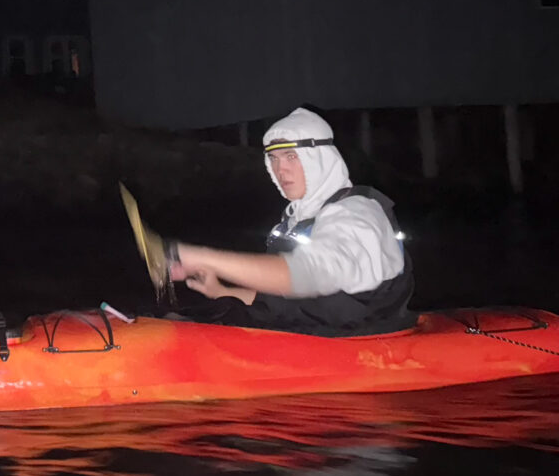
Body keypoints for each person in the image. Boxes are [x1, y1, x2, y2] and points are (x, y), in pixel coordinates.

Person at [165, 108, 414, 336]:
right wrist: (222, 292)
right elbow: (286, 301)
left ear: (318, 157)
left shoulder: (356, 214)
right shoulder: (295, 219)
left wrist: (202, 257)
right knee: (180, 319)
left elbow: (309, 273)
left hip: (356, 349)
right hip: (307, 338)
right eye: (273, 158)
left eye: (290, 156)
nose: (280, 169)